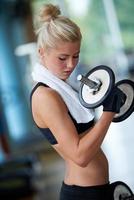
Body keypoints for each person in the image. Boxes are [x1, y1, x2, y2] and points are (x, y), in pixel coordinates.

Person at [30, 4, 125, 200]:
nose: (71, 65)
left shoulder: (62, 90)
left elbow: (84, 136)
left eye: (76, 56)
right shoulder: (46, 97)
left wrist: (104, 104)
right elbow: (80, 156)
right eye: (63, 58)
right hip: (82, 194)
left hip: (95, 189)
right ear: (41, 52)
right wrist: (109, 112)